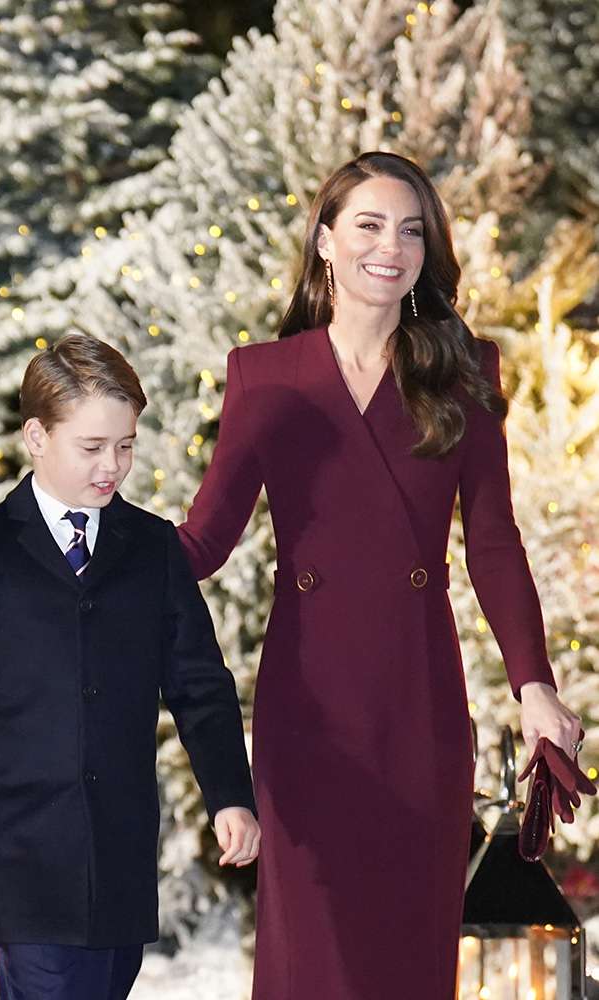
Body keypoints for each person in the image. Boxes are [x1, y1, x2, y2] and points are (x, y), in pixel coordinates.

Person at [178, 151, 584, 999]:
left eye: (410, 230)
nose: (389, 247)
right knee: (313, 957)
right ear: (326, 241)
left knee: (407, 955)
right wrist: (86, 545)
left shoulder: (466, 367)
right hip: (307, 710)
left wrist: (533, 684)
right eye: (367, 225)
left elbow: (495, 542)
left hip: (419, 710)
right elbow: (204, 541)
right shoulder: (265, 374)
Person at [0, 335, 259, 1000]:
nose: (112, 465)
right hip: (24, 856)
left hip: (121, 854)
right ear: (36, 436)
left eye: (126, 444)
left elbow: (200, 684)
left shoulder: (153, 549)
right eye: (92, 447)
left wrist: (229, 794)